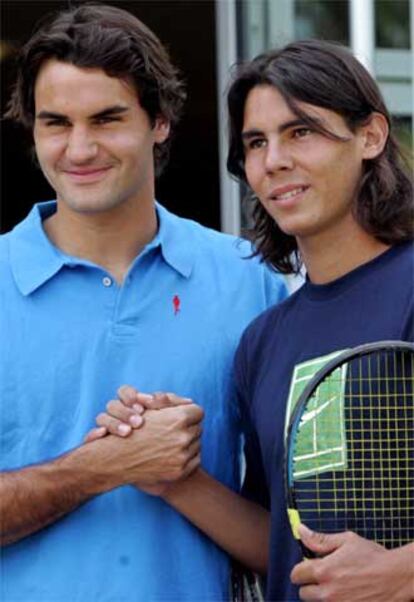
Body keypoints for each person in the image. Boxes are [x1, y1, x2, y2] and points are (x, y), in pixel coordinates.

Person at [99, 40, 414, 601]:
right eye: (255, 143)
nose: (274, 161)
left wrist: (406, 573)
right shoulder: (264, 341)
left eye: (302, 132)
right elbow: (274, 544)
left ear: (370, 136)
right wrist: (176, 480)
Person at [0, 5, 287, 601]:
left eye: (107, 119)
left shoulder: (248, 280)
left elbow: (284, 531)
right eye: (56, 123)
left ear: (159, 122)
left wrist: (181, 478)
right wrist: (106, 465)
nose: (79, 149)